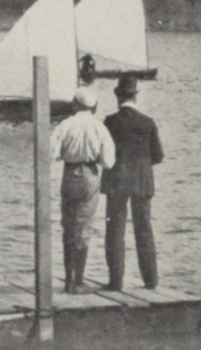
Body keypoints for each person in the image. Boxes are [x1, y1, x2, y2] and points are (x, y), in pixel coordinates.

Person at [49, 85, 115, 294]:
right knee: (84, 226)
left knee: (68, 225)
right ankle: (78, 280)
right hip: (89, 174)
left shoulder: (64, 125)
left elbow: (51, 153)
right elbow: (109, 162)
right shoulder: (99, 128)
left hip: (69, 174)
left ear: (75, 104)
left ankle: (68, 279)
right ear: (93, 106)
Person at [101, 75, 163, 291]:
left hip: (117, 181)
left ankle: (115, 282)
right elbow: (158, 156)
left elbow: (104, 154)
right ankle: (151, 281)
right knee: (144, 229)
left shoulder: (110, 122)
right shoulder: (148, 123)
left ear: (118, 97)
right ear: (135, 97)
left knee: (115, 230)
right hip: (142, 182)